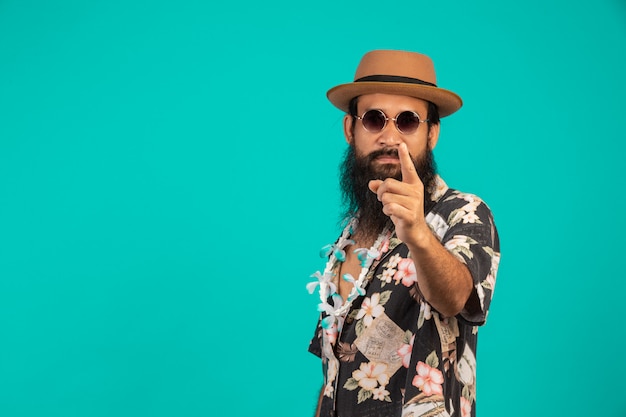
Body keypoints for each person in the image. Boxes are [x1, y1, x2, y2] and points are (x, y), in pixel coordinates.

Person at [307, 50, 501, 417]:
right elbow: (334, 375)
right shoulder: (348, 238)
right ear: (350, 129)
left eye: (408, 121)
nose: (390, 136)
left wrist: (417, 232)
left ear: (432, 132)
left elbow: (456, 297)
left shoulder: (464, 213)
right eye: (374, 119)